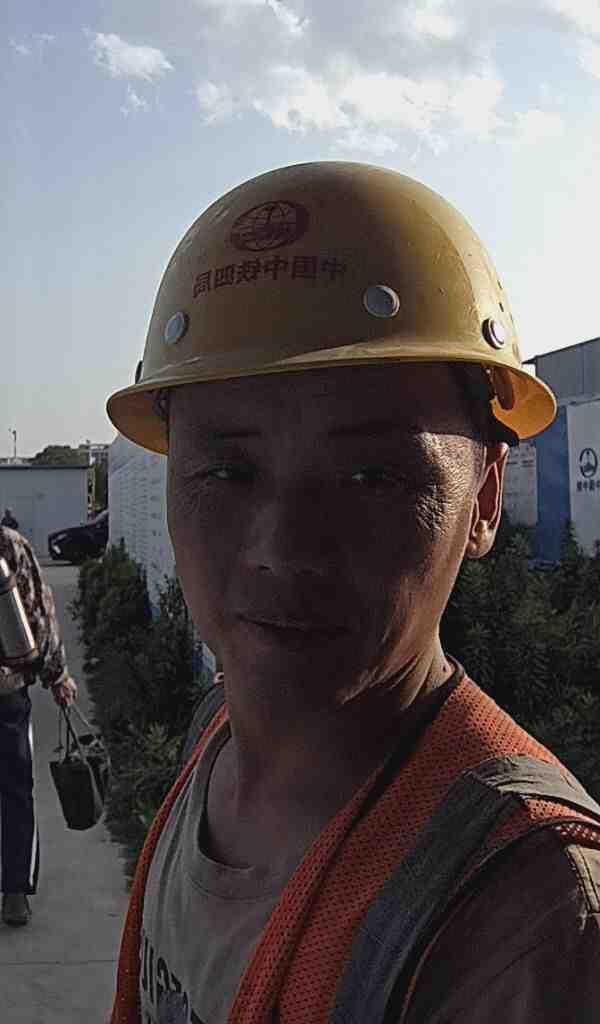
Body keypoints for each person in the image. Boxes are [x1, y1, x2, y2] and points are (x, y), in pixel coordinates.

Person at [106, 163, 600, 1024]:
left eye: (372, 476)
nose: (283, 549)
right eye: (225, 472)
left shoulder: (531, 917)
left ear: (484, 498)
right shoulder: (215, 739)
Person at [0, 525, 77, 926]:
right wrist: (57, 675)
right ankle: (15, 892)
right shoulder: (9, 544)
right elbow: (38, 614)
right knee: (15, 791)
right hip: (7, 691)